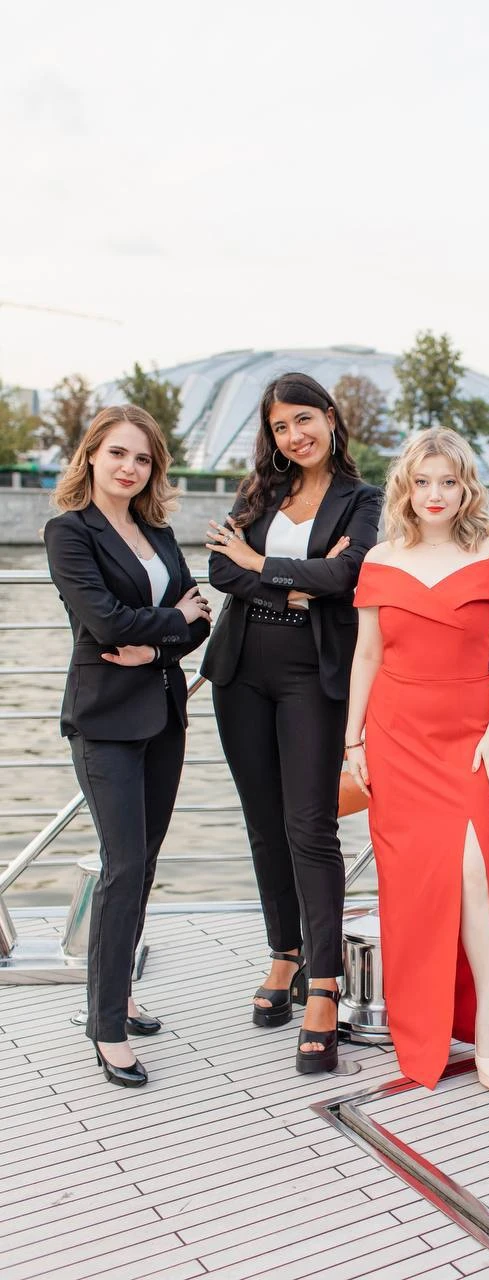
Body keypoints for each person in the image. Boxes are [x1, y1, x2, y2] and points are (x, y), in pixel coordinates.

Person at [201, 372, 381, 1075]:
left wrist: (264, 565)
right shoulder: (261, 491)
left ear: (330, 418)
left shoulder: (363, 500)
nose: (295, 435)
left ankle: (325, 983)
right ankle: (285, 952)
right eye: (281, 426)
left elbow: (351, 577)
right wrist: (297, 583)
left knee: (311, 825)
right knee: (263, 823)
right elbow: (222, 571)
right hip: (241, 670)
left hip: (313, 674)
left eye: (304, 419)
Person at [346, 428, 489, 1091]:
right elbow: (367, 655)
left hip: (471, 735)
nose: (435, 494)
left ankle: (487, 1019)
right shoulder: (381, 559)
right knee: (415, 887)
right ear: (406, 487)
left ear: (466, 488)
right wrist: (353, 740)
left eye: (448, 482)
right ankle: (423, 1024)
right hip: (395, 736)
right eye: (423, 481)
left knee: (475, 874)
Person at [43, 406, 212, 1088]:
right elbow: (106, 622)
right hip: (105, 722)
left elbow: (201, 620)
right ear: (91, 455)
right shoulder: (68, 532)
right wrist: (171, 622)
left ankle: (120, 993)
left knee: (143, 867)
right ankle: (106, 1025)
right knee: (123, 865)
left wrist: (158, 644)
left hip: (164, 715)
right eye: (117, 452)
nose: (129, 467)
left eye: (142, 458)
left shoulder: (158, 533)